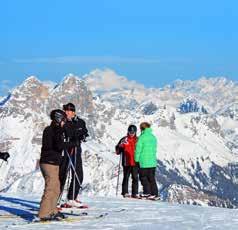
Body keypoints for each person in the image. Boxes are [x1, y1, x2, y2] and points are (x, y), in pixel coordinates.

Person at [39, 109, 78, 221]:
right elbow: (59, 145)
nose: (64, 122)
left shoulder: (51, 129)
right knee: (51, 188)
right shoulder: (56, 130)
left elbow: (57, 144)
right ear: (59, 119)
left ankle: (52, 210)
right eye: (63, 120)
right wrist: (72, 143)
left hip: (51, 162)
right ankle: (44, 213)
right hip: (49, 163)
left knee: (56, 188)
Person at [59, 103, 89, 208]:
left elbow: (84, 131)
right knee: (62, 175)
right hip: (64, 149)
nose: (67, 112)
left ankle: (71, 198)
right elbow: (68, 133)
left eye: (69, 110)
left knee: (78, 174)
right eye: (65, 110)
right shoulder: (61, 122)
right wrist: (75, 132)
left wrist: (82, 134)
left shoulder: (80, 121)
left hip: (76, 149)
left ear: (73, 112)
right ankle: (55, 200)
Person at [135, 122, 159, 200]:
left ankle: (147, 193)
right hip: (152, 162)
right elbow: (155, 149)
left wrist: (136, 159)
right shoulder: (153, 137)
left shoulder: (142, 138)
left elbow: (138, 150)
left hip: (144, 162)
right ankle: (155, 194)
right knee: (152, 178)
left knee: (143, 178)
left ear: (142, 129)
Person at [115, 125, 139, 198]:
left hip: (135, 162)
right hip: (126, 162)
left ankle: (135, 193)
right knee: (126, 177)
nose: (131, 133)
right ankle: (125, 192)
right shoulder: (124, 139)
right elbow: (117, 151)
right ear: (128, 131)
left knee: (135, 178)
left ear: (135, 132)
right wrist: (120, 146)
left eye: (133, 132)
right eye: (130, 132)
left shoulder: (138, 140)